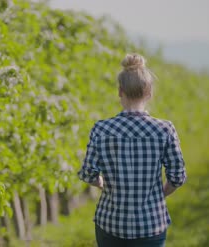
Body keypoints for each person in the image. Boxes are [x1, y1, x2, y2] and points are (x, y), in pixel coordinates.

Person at [77, 53, 187, 247]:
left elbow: (87, 174)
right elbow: (177, 176)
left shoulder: (101, 129)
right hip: (151, 224)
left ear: (120, 91)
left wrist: (103, 184)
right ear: (149, 92)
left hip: (110, 223)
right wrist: (159, 194)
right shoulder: (164, 130)